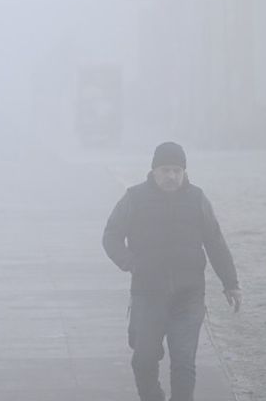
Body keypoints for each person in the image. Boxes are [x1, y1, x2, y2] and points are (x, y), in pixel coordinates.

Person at [102, 141, 242, 401]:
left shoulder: (197, 199)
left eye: (177, 170)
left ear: (184, 172)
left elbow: (215, 242)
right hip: (147, 294)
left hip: (188, 297)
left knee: (184, 364)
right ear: (154, 170)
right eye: (165, 170)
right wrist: (130, 263)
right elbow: (110, 236)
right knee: (143, 360)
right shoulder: (134, 198)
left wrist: (230, 283)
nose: (171, 176)